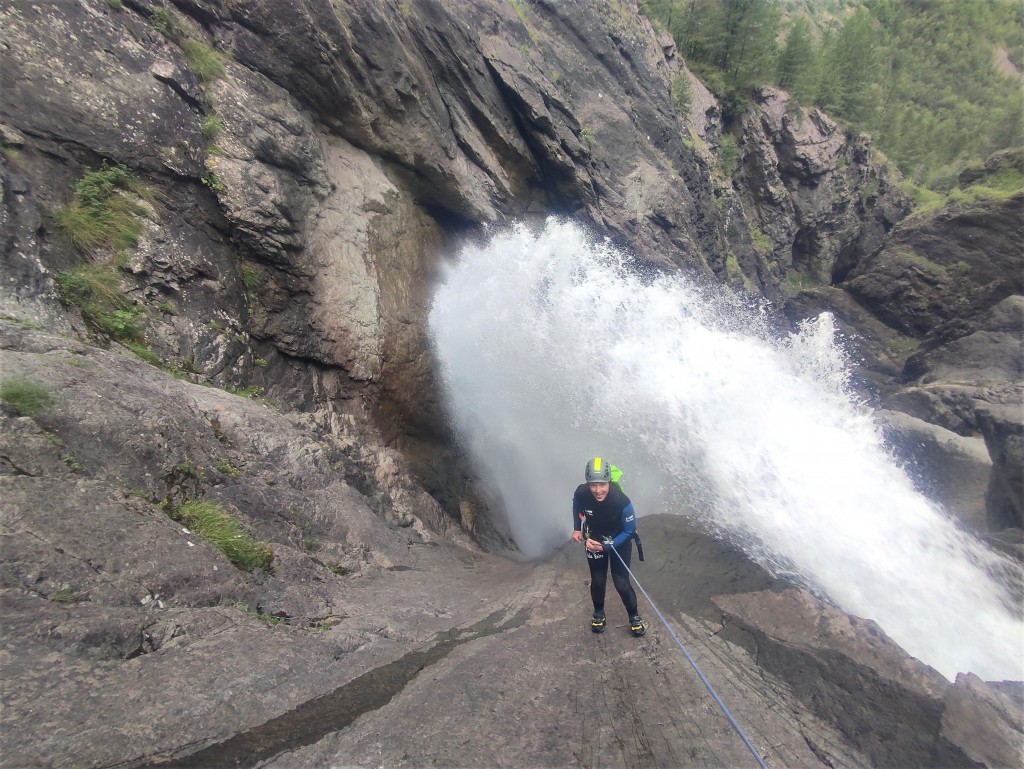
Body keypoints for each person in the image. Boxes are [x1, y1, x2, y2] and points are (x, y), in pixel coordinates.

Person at [571, 457, 646, 637]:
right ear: (587, 484)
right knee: (598, 580)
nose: (598, 490)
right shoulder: (582, 493)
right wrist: (576, 529)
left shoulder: (621, 501)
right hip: (594, 538)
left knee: (621, 582)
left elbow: (629, 530)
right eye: (593, 485)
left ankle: (634, 616)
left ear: (609, 482)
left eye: (602, 485)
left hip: (618, 540)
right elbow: (577, 505)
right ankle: (598, 613)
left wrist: (605, 547)